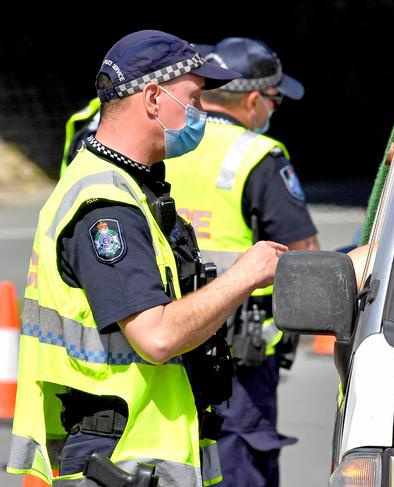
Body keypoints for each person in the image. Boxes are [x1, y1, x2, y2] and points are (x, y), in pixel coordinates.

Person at [7, 30, 288, 487]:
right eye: (193, 99)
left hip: (133, 455)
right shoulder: (106, 207)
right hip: (123, 461)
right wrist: (243, 277)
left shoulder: (130, 186)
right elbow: (155, 336)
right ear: (154, 98)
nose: (201, 115)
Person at [165, 37, 319, 487]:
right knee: (239, 469)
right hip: (237, 357)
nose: (273, 111)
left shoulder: (162, 144)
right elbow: (305, 258)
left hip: (159, 336)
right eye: (274, 100)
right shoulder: (257, 157)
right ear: (254, 100)